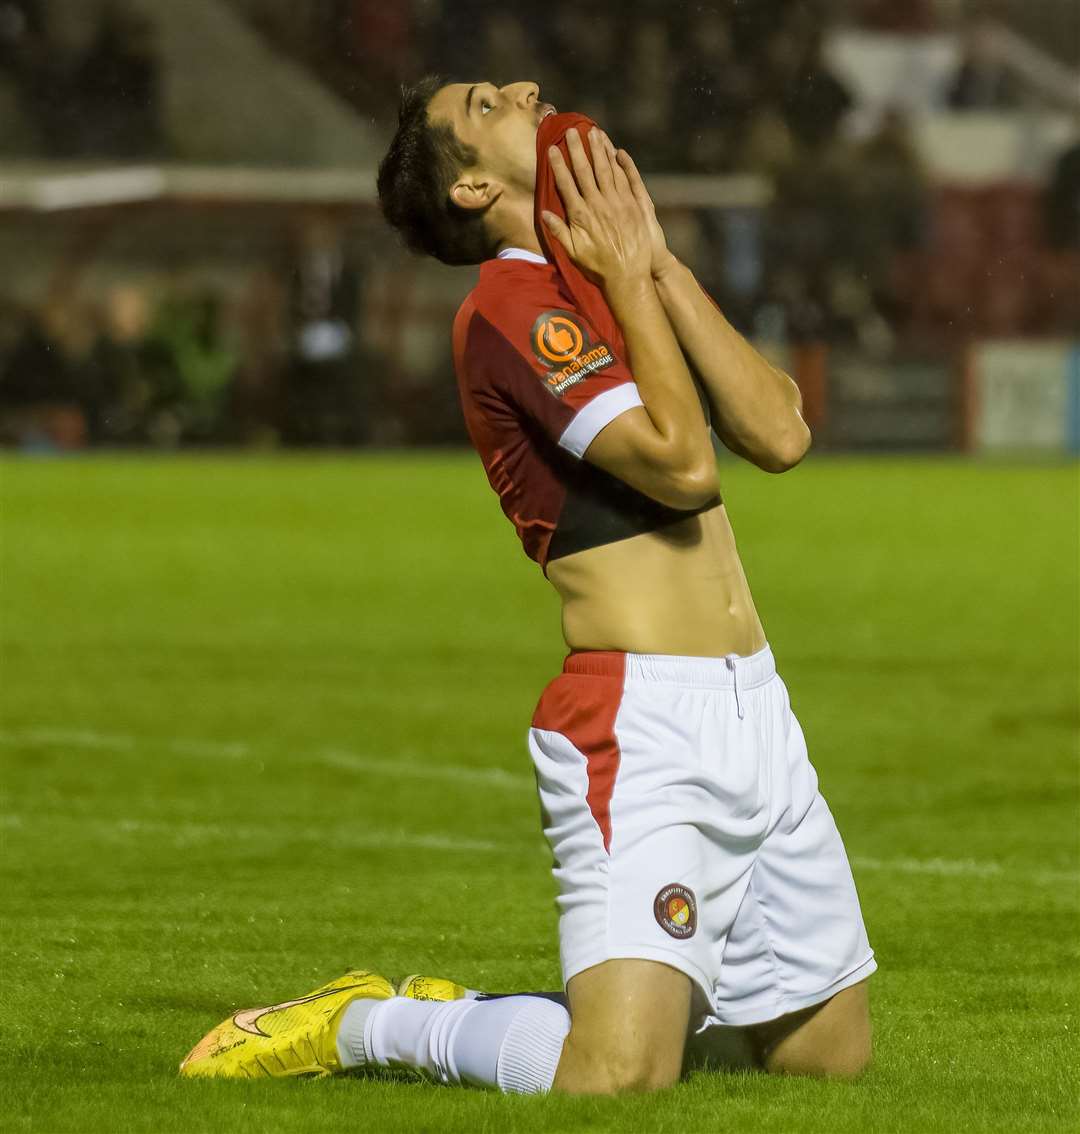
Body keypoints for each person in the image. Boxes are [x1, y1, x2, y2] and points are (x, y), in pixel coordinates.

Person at [179, 77, 875, 1095]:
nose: (525, 89)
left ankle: (611, 1001)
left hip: (758, 709)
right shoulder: (507, 309)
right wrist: (632, 279)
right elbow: (685, 467)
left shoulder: (608, 276)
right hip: (642, 725)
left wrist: (658, 265)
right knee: (616, 1080)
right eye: (487, 103)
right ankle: (372, 1025)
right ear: (469, 188)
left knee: (823, 1060)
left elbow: (781, 431)